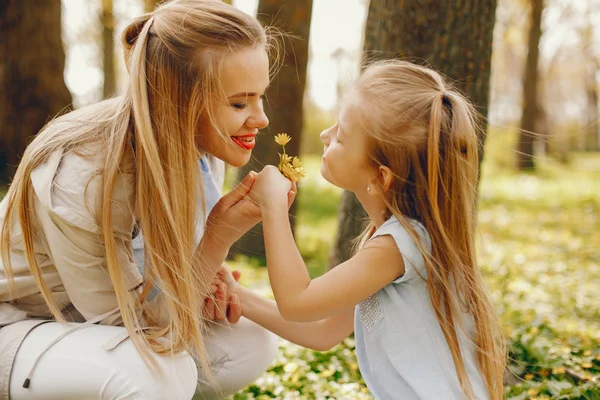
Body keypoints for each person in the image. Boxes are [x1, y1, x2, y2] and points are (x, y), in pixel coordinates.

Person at [0, 0, 289, 398]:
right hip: (18, 323)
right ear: (177, 99)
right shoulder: (82, 171)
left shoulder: (199, 151)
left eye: (259, 97)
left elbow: (169, 282)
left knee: (249, 344)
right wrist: (217, 239)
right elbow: (133, 328)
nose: (261, 119)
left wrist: (204, 281)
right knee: (155, 374)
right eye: (239, 103)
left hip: (91, 324)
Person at [233, 60, 506, 399]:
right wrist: (239, 298)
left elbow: (298, 302)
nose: (325, 135)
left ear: (381, 177)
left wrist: (273, 207)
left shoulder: (399, 246)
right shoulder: (402, 241)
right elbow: (321, 331)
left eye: (342, 136)